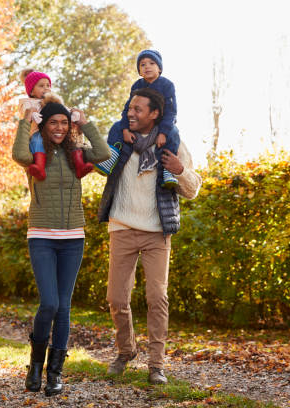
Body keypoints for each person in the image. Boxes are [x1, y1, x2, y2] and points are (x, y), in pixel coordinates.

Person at [97, 88, 202, 385]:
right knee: (116, 298)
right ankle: (126, 350)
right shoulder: (120, 140)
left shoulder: (171, 144)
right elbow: (95, 160)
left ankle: (156, 365)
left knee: (157, 297)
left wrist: (180, 170)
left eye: (138, 109)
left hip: (157, 232)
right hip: (122, 227)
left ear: (154, 113)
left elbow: (193, 189)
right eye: (130, 108)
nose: (131, 113)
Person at [12, 93, 110, 396]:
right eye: (54, 122)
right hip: (41, 236)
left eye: (64, 123)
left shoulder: (76, 152)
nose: (59, 128)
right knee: (50, 303)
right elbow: (17, 154)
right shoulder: (35, 149)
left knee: (64, 307)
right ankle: (35, 365)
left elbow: (104, 152)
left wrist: (86, 123)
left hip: (72, 239)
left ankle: (55, 373)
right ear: (44, 126)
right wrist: (25, 121)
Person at [96, 50, 180, 189]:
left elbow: (171, 111)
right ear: (139, 71)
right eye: (142, 64)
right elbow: (128, 108)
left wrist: (163, 132)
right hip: (139, 121)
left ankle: (168, 171)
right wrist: (124, 129)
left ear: (159, 68)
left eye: (152, 63)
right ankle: (111, 157)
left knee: (174, 132)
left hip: (162, 122)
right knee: (116, 126)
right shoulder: (137, 86)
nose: (147, 66)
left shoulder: (167, 85)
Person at [18, 69, 95, 180]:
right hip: (38, 133)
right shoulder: (28, 102)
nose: (46, 88)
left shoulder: (54, 101)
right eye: (41, 86)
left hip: (57, 135)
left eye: (48, 85)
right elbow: (26, 110)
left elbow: (64, 110)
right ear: (31, 91)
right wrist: (32, 114)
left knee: (71, 140)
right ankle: (39, 167)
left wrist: (73, 115)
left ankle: (79, 165)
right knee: (37, 140)